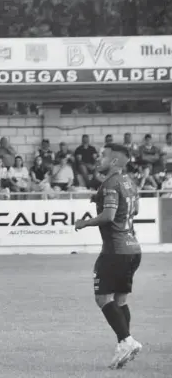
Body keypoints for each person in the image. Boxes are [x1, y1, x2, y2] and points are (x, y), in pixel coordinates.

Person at [74, 143, 142, 369]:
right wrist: (99, 198)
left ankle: (126, 341)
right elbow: (135, 210)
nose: (98, 158)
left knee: (103, 298)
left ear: (114, 161)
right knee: (120, 300)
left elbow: (110, 215)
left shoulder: (111, 183)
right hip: (133, 249)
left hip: (115, 250)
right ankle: (125, 343)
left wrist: (85, 222)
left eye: (103, 156)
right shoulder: (129, 182)